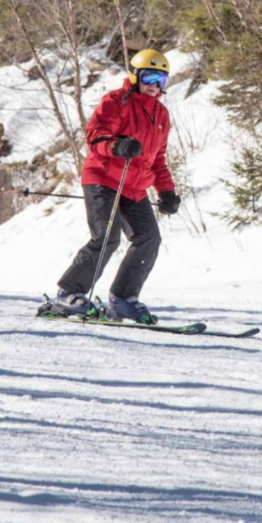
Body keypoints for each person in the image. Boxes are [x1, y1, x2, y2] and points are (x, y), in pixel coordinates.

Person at [48, 49, 181, 324]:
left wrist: (166, 192)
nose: (155, 86)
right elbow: (95, 136)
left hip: (135, 187)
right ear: (134, 76)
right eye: (149, 78)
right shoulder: (116, 101)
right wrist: (117, 145)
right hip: (103, 179)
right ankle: (67, 294)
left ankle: (122, 299)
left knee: (149, 238)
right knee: (107, 236)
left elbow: (158, 159)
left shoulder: (161, 114)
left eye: (161, 80)